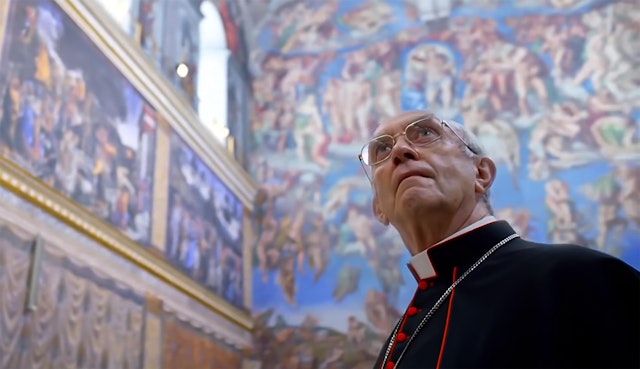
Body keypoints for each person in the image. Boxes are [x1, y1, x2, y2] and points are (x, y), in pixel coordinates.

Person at [357, 110, 639, 369]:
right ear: (379, 209)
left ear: (481, 173)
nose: (400, 151)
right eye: (382, 149)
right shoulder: (398, 341)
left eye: (426, 133)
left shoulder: (576, 275)